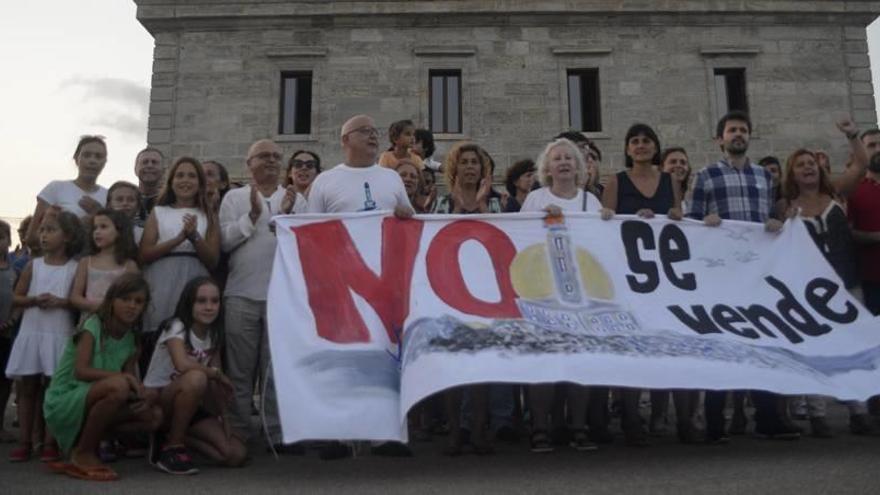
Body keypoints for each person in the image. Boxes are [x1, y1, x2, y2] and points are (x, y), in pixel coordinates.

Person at [306, 115, 414, 459]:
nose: (373, 136)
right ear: (345, 139)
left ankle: (386, 435)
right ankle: (338, 435)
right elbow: (309, 233)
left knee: (386, 356)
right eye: (365, 131)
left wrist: (403, 214)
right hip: (341, 283)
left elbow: (410, 224)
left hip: (385, 281)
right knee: (342, 358)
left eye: (374, 131)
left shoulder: (391, 177)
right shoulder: (326, 182)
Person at [687, 111, 790, 443]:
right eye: (732, 130)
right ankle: (715, 423)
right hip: (722, 276)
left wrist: (776, 224)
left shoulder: (764, 177)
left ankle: (767, 419)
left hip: (757, 275)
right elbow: (692, 222)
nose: (738, 135)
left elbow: (772, 217)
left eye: (743, 130)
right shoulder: (706, 175)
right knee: (721, 347)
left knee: (760, 346)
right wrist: (707, 222)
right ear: (720, 138)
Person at [776, 125, 872, 436]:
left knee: (852, 347)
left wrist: (851, 135)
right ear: (792, 173)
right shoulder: (786, 206)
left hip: (846, 284)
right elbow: (770, 236)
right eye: (800, 164)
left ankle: (858, 410)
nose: (807, 167)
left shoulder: (836, 194)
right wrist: (779, 223)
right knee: (813, 348)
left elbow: (861, 164)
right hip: (807, 290)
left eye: (811, 163)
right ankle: (817, 413)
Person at [219, 139, 305, 453]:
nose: (271, 161)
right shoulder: (234, 197)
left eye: (276, 156)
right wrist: (252, 217)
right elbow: (224, 243)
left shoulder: (295, 198)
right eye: (263, 156)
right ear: (249, 162)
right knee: (240, 370)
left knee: (275, 370)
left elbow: (301, 247)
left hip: (281, 298)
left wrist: (281, 218)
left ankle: (277, 433)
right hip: (241, 294)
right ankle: (240, 431)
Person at [520, 138, 601, 454]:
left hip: (582, 291)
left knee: (579, 362)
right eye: (558, 158)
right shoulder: (536, 199)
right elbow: (522, 237)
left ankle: (577, 427)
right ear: (547, 168)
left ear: (579, 166)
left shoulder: (590, 202)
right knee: (543, 361)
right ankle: (540, 428)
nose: (564, 162)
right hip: (543, 288)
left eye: (570, 157)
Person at [43, 274, 162, 481]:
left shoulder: (133, 340)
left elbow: (130, 380)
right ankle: (83, 452)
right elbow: (81, 371)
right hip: (66, 396)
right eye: (125, 299)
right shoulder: (93, 325)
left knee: (154, 415)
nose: (132, 306)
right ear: (112, 300)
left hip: (98, 396)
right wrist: (124, 378)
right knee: (118, 387)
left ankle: (91, 441)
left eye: (138, 301)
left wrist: (144, 395)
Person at [144, 277, 245, 474]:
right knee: (196, 378)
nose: (209, 307)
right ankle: (173, 448)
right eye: (201, 301)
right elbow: (182, 364)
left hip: (190, 405)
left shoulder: (214, 333)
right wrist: (216, 374)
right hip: (160, 400)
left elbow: (217, 385)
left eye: (215, 301)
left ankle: (171, 436)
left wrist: (225, 420)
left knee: (234, 454)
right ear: (189, 303)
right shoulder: (177, 326)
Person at [6, 211, 83, 462]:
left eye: (50, 230)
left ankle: (50, 441)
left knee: (54, 389)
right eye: (42, 230)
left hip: (58, 333)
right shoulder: (33, 265)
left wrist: (61, 301)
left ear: (68, 236)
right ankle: (26, 441)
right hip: (32, 331)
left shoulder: (74, 268)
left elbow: (75, 301)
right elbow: (15, 297)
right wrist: (32, 300)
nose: (44, 235)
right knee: (27, 388)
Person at [140, 157, 220, 338]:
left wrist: (194, 237)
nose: (185, 180)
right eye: (180, 175)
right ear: (171, 182)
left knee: (189, 333)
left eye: (192, 176)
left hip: (194, 279)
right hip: (161, 281)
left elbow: (213, 260)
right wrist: (178, 239)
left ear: (200, 183)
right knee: (158, 334)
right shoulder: (159, 212)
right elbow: (144, 254)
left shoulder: (209, 214)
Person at [25, 136, 107, 249]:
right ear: (76, 158)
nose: (92, 160)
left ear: (104, 162)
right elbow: (32, 238)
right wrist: (75, 226)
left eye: (98, 156)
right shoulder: (56, 188)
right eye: (86, 155)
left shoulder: (109, 196)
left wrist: (99, 213)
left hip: (94, 265)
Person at [70, 209, 139, 317]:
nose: (97, 232)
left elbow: (134, 297)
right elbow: (75, 297)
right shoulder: (86, 262)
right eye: (95, 228)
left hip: (116, 323)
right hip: (89, 321)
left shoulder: (129, 265)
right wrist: (95, 306)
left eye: (103, 227)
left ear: (120, 231)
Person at [434, 143, 501, 214]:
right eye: (464, 162)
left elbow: (496, 225)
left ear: (481, 169)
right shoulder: (442, 203)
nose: (469, 166)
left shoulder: (495, 204)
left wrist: (482, 204)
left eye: (474, 162)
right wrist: (457, 207)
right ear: (455, 169)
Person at [0, 220, 21, 443]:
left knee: (4, 382)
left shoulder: (15, 270)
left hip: (6, 333)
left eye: (1, 237)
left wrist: (12, 320)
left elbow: (19, 299)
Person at [134, 148, 166, 224]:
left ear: (163, 171)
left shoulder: (171, 202)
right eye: (145, 162)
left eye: (154, 162)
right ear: (135, 169)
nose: (149, 165)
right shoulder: (124, 201)